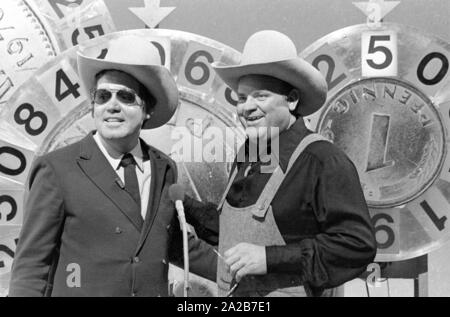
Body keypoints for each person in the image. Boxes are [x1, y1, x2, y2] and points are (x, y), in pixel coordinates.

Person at [8, 35, 216, 297]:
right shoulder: (56, 170)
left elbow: (169, 242)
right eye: (103, 96)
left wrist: (250, 272)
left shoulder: (165, 169)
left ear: (147, 109)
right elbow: (31, 268)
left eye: (126, 97)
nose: (112, 106)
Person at [195, 30, 377, 297]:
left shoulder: (323, 160)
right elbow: (233, 233)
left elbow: (357, 245)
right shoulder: (249, 155)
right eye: (242, 98)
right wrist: (179, 203)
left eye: (260, 96)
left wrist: (270, 258)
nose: (247, 107)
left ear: (292, 99)